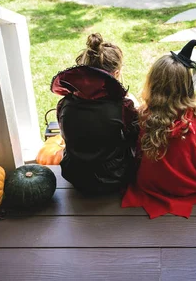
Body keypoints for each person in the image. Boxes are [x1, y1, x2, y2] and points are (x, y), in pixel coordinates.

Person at [121, 40, 196, 219]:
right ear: (187, 87)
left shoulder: (142, 117)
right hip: (190, 186)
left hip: (150, 185)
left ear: (153, 84)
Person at [50, 33, 139, 195]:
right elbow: (135, 137)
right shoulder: (123, 107)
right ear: (117, 73)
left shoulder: (65, 104)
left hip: (75, 175)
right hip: (114, 178)